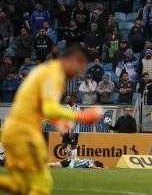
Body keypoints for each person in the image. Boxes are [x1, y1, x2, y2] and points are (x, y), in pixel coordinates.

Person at [0, 45, 102, 195]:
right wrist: (82, 116)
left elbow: (45, 108)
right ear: (73, 59)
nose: (79, 72)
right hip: (22, 130)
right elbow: (49, 108)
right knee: (41, 185)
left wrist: (60, 123)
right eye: (80, 66)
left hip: (23, 129)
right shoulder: (54, 74)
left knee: (31, 183)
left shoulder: (49, 72)